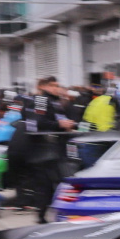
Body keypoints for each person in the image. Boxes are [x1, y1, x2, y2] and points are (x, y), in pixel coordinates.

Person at [19, 77, 76, 223]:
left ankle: (47, 214)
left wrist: (66, 125)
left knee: (53, 184)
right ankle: (42, 217)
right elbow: (37, 124)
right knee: (46, 185)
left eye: (57, 85)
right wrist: (60, 124)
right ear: (43, 86)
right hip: (43, 151)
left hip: (53, 150)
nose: (57, 88)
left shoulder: (53, 101)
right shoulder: (40, 100)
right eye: (53, 86)